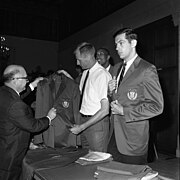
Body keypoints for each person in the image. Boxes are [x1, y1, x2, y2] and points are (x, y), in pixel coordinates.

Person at [107, 28, 164, 164]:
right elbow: (117, 100)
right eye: (116, 45)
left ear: (133, 43)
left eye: (121, 43)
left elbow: (157, 107)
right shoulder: (116, 68)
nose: (117, 48)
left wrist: (124, 111)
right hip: (114, 135)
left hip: (133, 140)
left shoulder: (146, 69)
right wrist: (110, 92)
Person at [0, 65, 57, 180]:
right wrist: (49, 118)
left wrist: (32, 85)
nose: (27, 81)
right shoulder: (16, 105)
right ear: (15, 80)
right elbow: (33, 126)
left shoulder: (3, 92)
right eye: (25, 79)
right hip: (11, 154)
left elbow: (16, 97)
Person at [70, 42, 112, 152]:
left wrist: (82, 127)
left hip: (97, 125)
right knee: (87, 159)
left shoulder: (101, 75)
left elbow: (105, 110)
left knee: (98, 160)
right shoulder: (85, 73)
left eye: (79, 60)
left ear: (88, 57)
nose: (77, 63)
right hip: (84, 122)